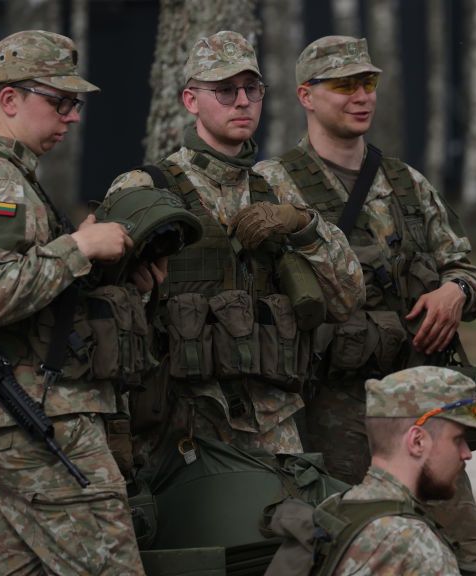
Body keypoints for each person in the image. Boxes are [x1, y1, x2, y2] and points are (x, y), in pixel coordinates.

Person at [255, 35, 476, 574]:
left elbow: (469, 271)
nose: (361, 96)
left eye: (368, 83)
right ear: (307, 95)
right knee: (340, 546)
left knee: (472, 550)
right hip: (323, 407)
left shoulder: (406, 184)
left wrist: (456, 291)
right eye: (344, 85)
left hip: (412, 410)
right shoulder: (272, 187)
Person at [107, 31, 363, 464]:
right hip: (178, 417)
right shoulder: (147, 188)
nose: (242, 101)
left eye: (251, 89)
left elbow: (346, 295)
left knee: (285, 528)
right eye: (224, 90)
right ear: (191, 101)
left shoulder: (280, 189)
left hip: (271, 420)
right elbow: (106, 307)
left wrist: (304, 227)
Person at [0, 30, 143, 574]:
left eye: (73, 104)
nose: (71, 117)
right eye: (59, 102)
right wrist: (80, 246)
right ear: (9, 100)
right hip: (38, 417)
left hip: (10, 419)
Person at [329, 366, 476, 575]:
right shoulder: (420, 549)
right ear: (417, 441)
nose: (466, 453)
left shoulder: (333, 511)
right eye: (457, 439)